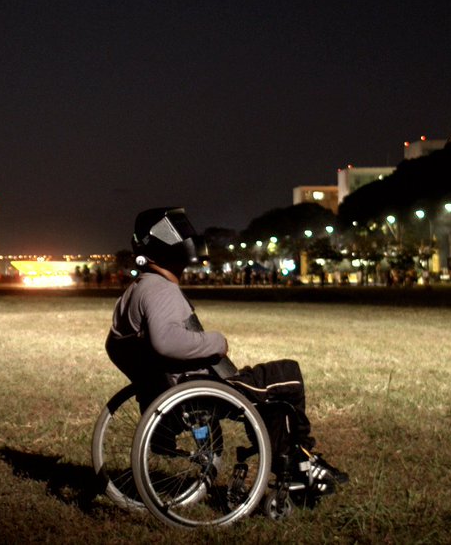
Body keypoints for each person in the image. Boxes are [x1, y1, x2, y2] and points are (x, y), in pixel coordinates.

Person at [105, 207, 348, 497]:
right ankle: (300, 462)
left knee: (267, 394)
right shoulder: (161, 290)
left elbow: (115, 344)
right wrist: (216, 342)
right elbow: (166, 342)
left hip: (179, 388)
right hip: (203, 389)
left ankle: (293, 461)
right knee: (288, 376)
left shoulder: (136, 289)